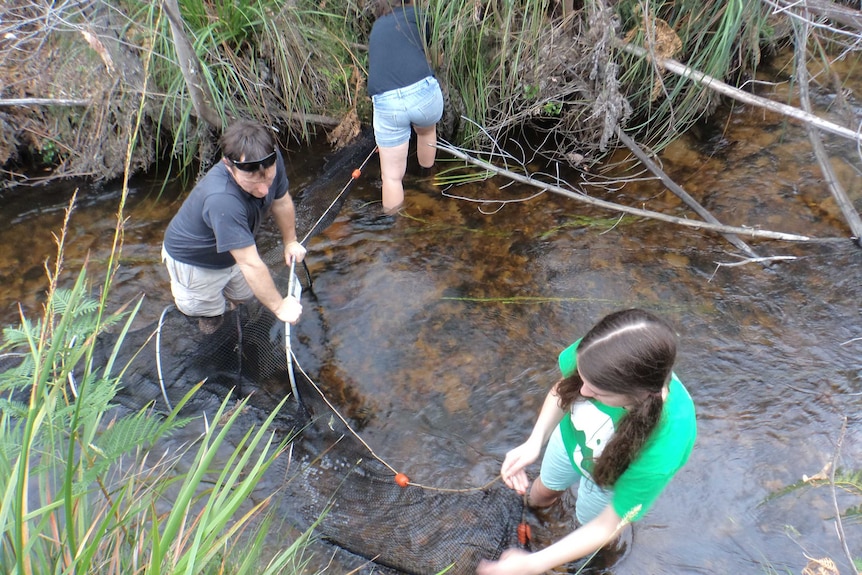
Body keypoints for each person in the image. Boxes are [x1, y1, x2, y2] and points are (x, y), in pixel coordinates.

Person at [477, 309, 697, 575]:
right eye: (583, 378)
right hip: (570, 440)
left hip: (609, 481)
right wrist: (535, 441)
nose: (582, 391)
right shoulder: (599, 352)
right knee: (541, 492)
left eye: (597, 391)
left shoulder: (667, 442)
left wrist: (535, 563)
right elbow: (563, 389)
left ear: (638, 395)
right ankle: (539, 518)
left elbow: (607, 524)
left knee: (588, 525)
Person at [162, 120, 307, 331]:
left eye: (268, 178)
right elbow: (249, 263)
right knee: (211, 313)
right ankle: (213, 329)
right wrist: (278, 306)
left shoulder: (267, 161)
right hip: (194, 262)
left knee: (245, 297)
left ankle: (238, 319)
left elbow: (282, 200)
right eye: (253, 180)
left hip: (234, 254)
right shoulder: (222, 199)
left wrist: (290, 241)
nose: (264, 189)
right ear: (230, 167)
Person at [367, 0, 444, 213]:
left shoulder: (377, 28)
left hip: (386, 100)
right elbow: (435, 54)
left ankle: (395, 235)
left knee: (391, 176)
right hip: (423, 94)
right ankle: (428, 179)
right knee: (427, 131)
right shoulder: (418, 15)